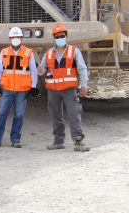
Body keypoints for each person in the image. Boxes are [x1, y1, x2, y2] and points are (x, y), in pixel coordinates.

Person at [38, 23, 90, 152]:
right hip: (53, 90)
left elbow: (82, 69)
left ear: (66, 37)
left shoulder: (74, 51)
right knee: (55, 115)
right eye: (57, 36)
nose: (60, 38)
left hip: (69, 90)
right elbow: (42, 70)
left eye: (62, 36)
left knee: (74, 114)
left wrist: (84, 85)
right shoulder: (48, 54)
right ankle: (58, 141)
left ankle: (78, 141)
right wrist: (40, 69)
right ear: (54, 38)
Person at [0, 27, 37, 149]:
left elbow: (33, 71)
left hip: (22, 90)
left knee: (19, 115)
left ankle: (15, 139)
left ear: (21, 38)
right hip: (7, 88)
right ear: (10, 38)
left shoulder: (28, 52)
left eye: (18, 37)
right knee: (1, 113)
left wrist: (33, 87)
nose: (15, 39)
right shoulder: (4, 52)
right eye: (13, 37)